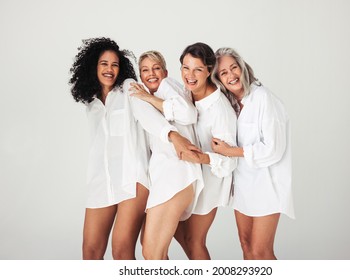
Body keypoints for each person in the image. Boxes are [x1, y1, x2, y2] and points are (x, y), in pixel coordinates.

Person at [69, 37, 197, 260]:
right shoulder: (91, 103)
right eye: (104, 64)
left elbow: (148, 116)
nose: (110, 69)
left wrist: (172, 135)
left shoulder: (128, 88)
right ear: (93, 66)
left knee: (121, 250)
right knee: (90, 252)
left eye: (115, 64)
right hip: (101, 182)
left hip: (133, 180)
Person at [211, 47, 295, 260]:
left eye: (234, 68)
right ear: (218, 79)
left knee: (261, 251)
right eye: (224, 73)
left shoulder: (263, 97)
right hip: (243, 186)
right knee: (246, 246)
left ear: (243, 68)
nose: (231, 75)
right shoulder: (230, 104)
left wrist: (229, 151)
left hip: (267, 186)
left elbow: (273, 149)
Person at [128, 50, 203, 260]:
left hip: (176, 174)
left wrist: (146, 98)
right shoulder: (153, 96)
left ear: (165, 71)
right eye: (145, 70)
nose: (151, 74)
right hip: (167, 176)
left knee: (152, 253)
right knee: (152, 250)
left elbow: (189, 114)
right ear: (140, 75)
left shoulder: (167, 86)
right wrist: (147, 98)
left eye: (156, 68)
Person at [176, 42, 237, 259]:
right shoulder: (185, 92)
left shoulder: (220, 109)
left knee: (195, 240)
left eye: (197, 69)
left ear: (209, 70)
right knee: (174, 230)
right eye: (186, 67)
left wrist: (198, 157)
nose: (189, 75)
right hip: (188, 177)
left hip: (211, 180)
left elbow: (229, 161)